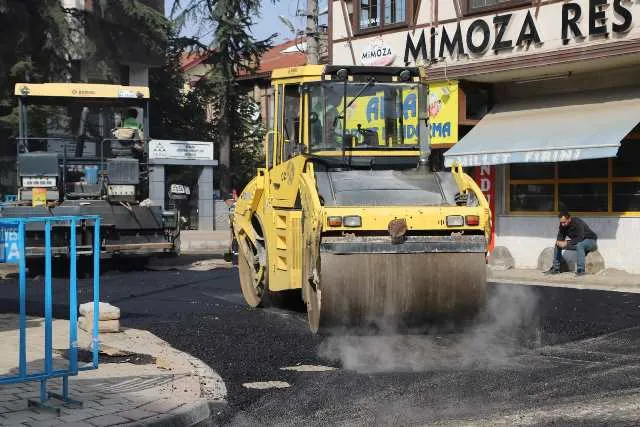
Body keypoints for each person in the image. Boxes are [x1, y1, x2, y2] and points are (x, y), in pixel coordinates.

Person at [544, 210, 598, 276]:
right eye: (561, 222)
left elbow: (580, 238)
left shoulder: (577, 222)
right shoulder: (562, 226)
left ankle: (581, 270)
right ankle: (555, 269)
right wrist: (559, 243)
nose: (562, 224)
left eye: (564, 222)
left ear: (569, 219)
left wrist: (567, 243)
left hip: (591, 241)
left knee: (580, 245)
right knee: (557, 245)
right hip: (578, 243)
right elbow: (560, 239)